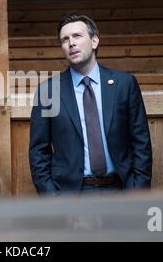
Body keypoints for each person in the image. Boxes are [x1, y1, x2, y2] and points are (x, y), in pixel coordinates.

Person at [29, 14, 152, 195]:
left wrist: (137, 190)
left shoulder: (124, 84)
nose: (71, 43)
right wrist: (53, 197)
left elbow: (141, 142)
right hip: (71, 194)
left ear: (94, 41)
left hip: (121, 191)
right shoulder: (48, 91)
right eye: (65, 39)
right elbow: (38, 151)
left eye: (77, 36)